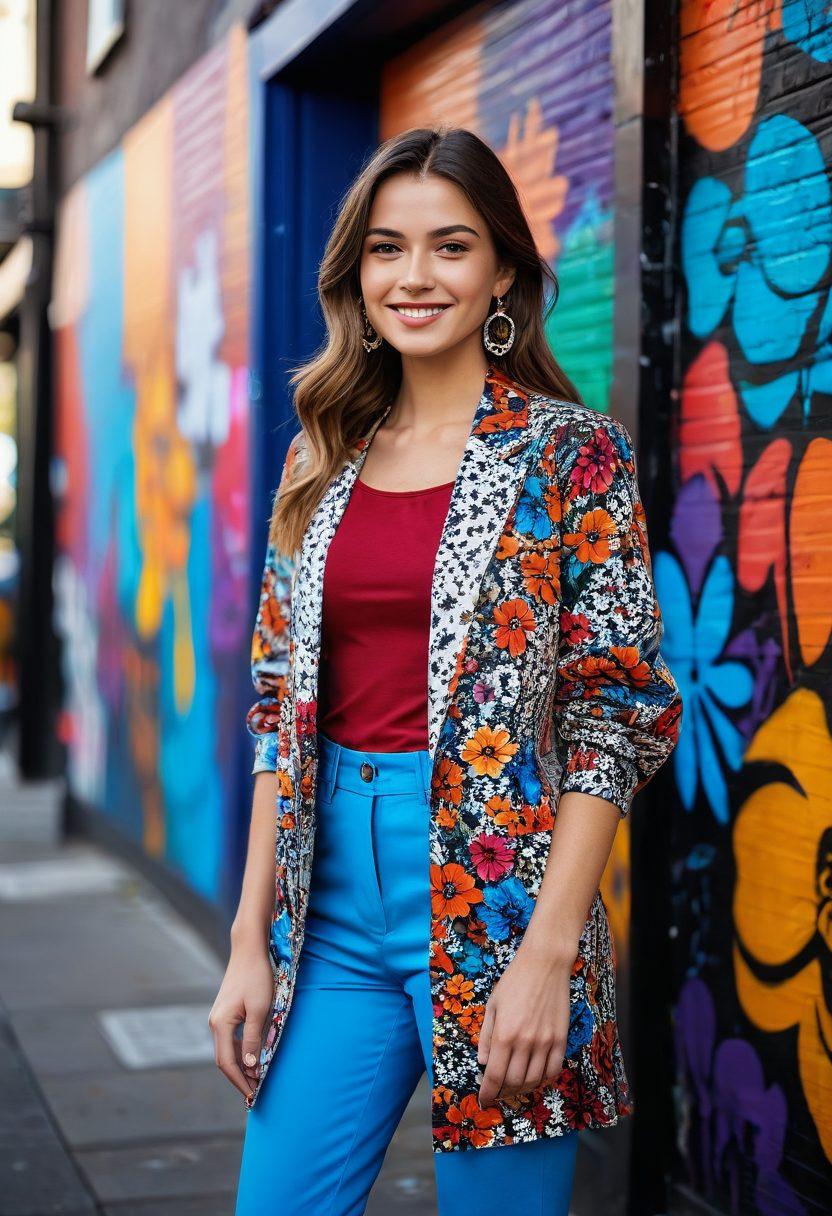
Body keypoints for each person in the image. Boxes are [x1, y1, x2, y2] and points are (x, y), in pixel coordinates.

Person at [210, 126, 683, 1216]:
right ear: (356, 272)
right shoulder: (320, 454)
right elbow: (280, 703)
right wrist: (248, 938)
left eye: (450, 246)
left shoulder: (570, 454)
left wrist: (549, 955)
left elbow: (616, 717)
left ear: (503, 271)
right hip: (328, 906)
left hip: (502, 897)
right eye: (387, 248)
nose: (414, 276)